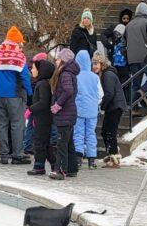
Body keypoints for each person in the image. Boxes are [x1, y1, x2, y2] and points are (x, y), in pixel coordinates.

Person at [0, 26, 32, 165]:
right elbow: (25, 76)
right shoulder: (18, 55)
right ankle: (17, 154)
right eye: (21, 42)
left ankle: (3, 155)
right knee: (17, 124)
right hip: (14, 95)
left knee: (2, 124)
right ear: (17, 41)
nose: (21, 45)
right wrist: (30, 93)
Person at [50, 48, 79, 181]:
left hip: (65, 113)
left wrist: (58, 105)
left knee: (62, 143)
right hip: (69, 112)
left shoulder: (65, 73)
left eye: (58, 58)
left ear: (63, 60)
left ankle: (60, 170)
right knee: (68, 142)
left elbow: (68, 91)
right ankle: (72, 168)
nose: (56, 61)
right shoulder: (69, 73)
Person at [94, 52, 127, 167]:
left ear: (102, 63)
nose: (94, 66)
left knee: (109, 132)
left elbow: (109, 94)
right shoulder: (106, 74)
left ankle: (113, 157)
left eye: (96, 63)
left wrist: (101, 106)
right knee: (105, 131)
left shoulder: (107, 75)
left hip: (115, 106)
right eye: (93, 64)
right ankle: (112, 153)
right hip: (113, 106)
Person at [125, 2, 147, 109]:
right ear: (146, 11)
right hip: (145, 56)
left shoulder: (129, 25)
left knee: (135, 83)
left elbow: (123, 43)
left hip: (132, 58)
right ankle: (142, 92)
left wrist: (126, 55)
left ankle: (134, 109)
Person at [27, 55, 55, 177]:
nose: (31, 70)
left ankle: (39, 166)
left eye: (33, 68)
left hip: (43, 118)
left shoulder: (42, 84)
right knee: (42, 142)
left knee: (40, 142)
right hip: (40, 118)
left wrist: (30, 109)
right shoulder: (41, 83)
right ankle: (52, 164)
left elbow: (43, 102)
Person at [74, 49, 101, 169]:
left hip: (79, 109)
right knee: (91, 134)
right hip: (92, 111)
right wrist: (95, 103)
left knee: (78, 133)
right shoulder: (95, 77)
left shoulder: (76, 76)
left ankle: (78, 158)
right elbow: (101, 94)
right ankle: (92, 160)